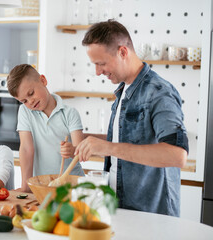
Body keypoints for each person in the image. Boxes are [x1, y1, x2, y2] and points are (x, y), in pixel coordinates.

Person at [74, 20, 189, 216]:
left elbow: (177, 155)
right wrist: (87, 140)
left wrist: (108, 148)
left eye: (101, 63)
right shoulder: (123, 90)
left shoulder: (159, 92)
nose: (98, 72)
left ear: (123, 52)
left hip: (153, 218)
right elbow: (127, 140)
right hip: (123, 211)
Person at [7, 64, 85, 192]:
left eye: (31, 94)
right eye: (24, 101)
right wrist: (26, 186)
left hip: (73, 186)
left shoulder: (70, 113)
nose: (30, 102)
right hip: (43, 186)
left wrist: (72, 150)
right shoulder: (25, 112)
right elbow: (26, 149)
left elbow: (80, 151)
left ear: (43, 81)